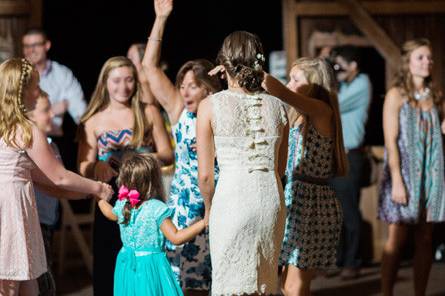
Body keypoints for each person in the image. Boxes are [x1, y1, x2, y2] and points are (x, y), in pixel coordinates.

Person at [0, 58, 112, 296]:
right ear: (23, 91)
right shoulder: (27, 130)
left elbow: (44, 180)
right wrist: (98, 188)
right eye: (37, 86)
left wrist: (84, 192)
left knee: (28, 286)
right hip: (10, 214)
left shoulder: (7, 128)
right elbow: (58, 176)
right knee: (10, 286)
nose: (41, 91)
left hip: (14, 210)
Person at [197, 30, 288, 295]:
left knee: (230, 284)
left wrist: (208, 208)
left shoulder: (210, 105)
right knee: (265, 281)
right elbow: (280, 170)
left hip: (232, 200)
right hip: (270, 199)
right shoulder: (278, 107)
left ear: (222, 66)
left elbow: (205, 177)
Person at [142, 0, 222, 293]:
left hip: (219, 200)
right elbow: (148, 67)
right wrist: (160, 18)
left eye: (193, 85)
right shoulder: (179, 112)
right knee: (178, 280)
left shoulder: (222, 112)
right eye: (183, 84)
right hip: (185, 203)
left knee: (212, 280)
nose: (185, 90)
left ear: (209, 88)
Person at [78, 56, 173, 295]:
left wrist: (139, 160)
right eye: (117, 80)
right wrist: (94, 168)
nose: (123, 87)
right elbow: (82, 166)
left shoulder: (148, 112)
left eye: (129, 80)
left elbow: (167, 154)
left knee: (148, 261)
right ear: (105, 83)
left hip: (148, 199)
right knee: (109, 263)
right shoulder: (92, 121)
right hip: (112, 200)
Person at [262, 57, 347, 296]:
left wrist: (249, 69)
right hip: (296, 198)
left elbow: (280, 91)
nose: (290, 84)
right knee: (286, 284)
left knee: (295, 287)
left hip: (312, 203)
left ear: (314, 83)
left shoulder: (322, 110)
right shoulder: (299, 117)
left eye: (296, 79)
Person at [378, 38, 445, 296]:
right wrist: (396, 180)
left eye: (429, 58)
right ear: (408, 62)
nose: (426, 62)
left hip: (431, 174)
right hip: (403, 173)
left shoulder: (436, 96)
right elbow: (390, 141)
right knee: (397, 239)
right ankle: (386, 292)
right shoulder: (396, 95)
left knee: (426, 238)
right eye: (420, 57)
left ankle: (420, 293)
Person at [97, 152, 206, 296]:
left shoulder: (124, 205)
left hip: (126, 264)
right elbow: (176, 237)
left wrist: (99, 198)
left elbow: (109, 213)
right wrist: (203, 223)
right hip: (150, 267)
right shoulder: (156, 208)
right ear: (154, 181)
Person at [329, 45, 372, 279]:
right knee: (337, 211)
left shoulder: (362, 83)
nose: (337, 70)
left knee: (349, 211)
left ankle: (353, 262)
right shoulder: (344, 84)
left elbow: (333, 103)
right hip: (337, 155)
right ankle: (340, 259)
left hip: (351, 155)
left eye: (340, 65)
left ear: (353, 66)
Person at [22, 28, 86, 137]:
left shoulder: (62, 74)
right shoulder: (17, 74)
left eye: (36, 45)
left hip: (52, 137)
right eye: (27, 46)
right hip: (23, 137)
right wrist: (51, 109)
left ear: (47, 45)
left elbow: (81, 111)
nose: (31, 50)